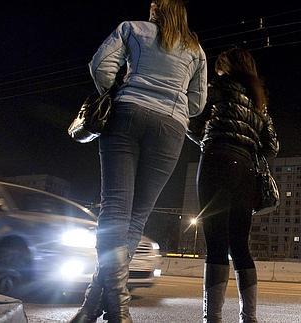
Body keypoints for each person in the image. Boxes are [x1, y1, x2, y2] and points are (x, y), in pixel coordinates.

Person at [70, 1, 207, 322]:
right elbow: (198, 103)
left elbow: (100, 65)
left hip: (127, 116)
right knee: (135, 218)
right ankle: (99, 309)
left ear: (157, 10)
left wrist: (122, 91)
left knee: (115, 209)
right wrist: (172, 100)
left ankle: (109, 309)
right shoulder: (195, 50)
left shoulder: (131, 29)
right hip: (171, 128)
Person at [187, 48, 279, 323]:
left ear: (226, 67)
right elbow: (272, 146)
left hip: (216, 161)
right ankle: (248, 318)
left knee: (215, 243)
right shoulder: (259, 100)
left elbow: (192, 123)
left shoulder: (217, 88)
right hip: (246, 171)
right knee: (240, 246)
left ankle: (212, 318)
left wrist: (210, 136)